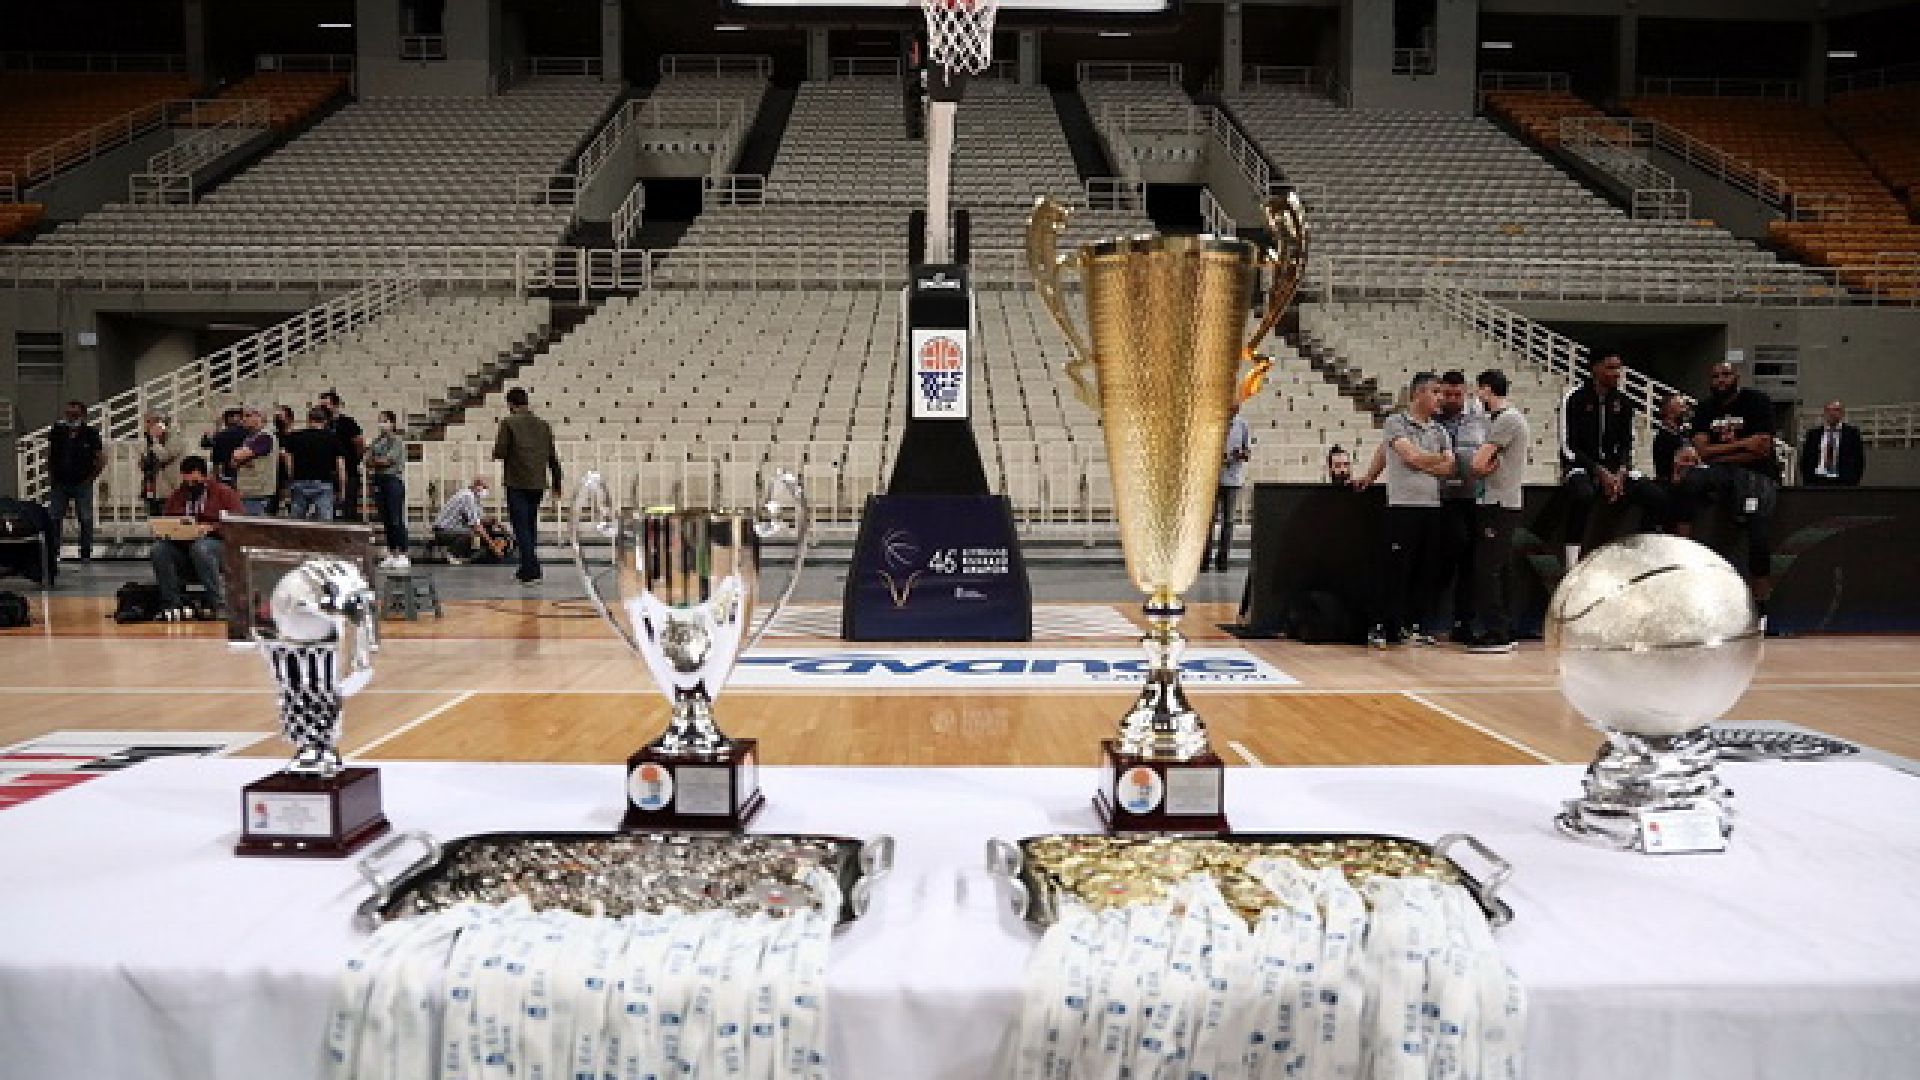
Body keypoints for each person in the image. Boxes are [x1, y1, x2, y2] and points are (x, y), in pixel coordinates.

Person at [1353, 373, 1455, 648]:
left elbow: (1449, 468)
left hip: (1431, 506)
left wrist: (1425, 462)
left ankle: (1412, 626)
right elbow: (1409, 456)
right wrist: (1435, 459)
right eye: (1435, 392)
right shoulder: (1396, 423)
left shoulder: (1439, 430)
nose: (1440, 398)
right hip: (1402, 507)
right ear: (1419, 393)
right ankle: (1383, 626)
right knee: (1396, 570)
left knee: (1424, 571)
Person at [1558, 352, 1663, 567]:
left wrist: (1622, 470)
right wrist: (1599, 471)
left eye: (1619, 368)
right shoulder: (1574, 397)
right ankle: (1572, 563)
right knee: (1583, 495)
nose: (1617, 373)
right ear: (1595, 369)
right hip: (1580, 466)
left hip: (1615, 469)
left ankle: (1642, 556)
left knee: (1656, 496)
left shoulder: (1623, 402)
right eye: (1611, 368)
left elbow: (1627, 443)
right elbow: (1568, 446)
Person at [1695, 361, 1779, 604]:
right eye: (1715, 376)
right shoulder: (1705, 408)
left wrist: (1716, 452)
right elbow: (1701, 452)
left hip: (1757, 473)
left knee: (1758, 530)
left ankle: (1761, 597)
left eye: (1726, 375)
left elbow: (1762, 450)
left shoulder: (1757, 401)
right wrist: (1744, 445)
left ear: (1737, 377)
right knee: (1691, 483)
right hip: (1720, 473)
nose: (1721, 380)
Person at [1465, 370, 1530, 654]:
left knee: (1488, 569)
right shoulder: (1500, 419)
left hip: (1499, 503)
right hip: (1497, 501)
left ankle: (1497, 632)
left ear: (1488, 390)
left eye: (1479, 390)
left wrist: (1481, 467)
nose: (1477, 396)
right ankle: (1503, 628)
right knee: (1498, 569)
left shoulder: (1507, 419)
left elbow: (1477, 464)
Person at [150, 455, 242, 621]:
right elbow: (169, 519)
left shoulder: (224, 493)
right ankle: (172, 603)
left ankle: (218, 604)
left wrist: (211, 528)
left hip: (217, 545)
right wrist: (166, 530)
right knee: (159, 550)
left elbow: (238, 524)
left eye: (195, 482)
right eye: (187, 482)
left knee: (201, 548)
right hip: (184, 546)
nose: (191, 486)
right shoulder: (178, 495)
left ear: (206, 477)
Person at [1434, 370, 1488, 642]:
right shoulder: (1431, 419)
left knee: (1471, 562)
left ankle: (1463, 622)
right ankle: (1430, 621)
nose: (1453, 399)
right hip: (1439, 499)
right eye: (1448, 394)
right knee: (1443, 558)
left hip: (1471, 497)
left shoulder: (1479, 418)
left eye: (1458, 394)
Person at [491, 387, 562, 586]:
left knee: (521, 527)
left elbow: (500, 451)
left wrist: (496, 453)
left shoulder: (508, 423)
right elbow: (552, 457)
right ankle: (526, 569)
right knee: (530, 525)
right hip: (538, 483)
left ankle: (532, 571)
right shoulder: (543, 425)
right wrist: (557, 482)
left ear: (510, 404)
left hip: (517, 482)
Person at [45, 400, 105, 563]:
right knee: (54, 517)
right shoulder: (58, 431)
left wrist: (90, 478)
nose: (71, 418)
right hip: (60, 483)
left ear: (83, 415)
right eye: (68, 414)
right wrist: (51, 475)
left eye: (75, 415)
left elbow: (100, 458)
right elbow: (50, 454)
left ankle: (85, 553)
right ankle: (54, 552)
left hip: (82, 483)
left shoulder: (91, 433)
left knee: (85, 518)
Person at [1201, 406, 1251, 573]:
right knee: (1209, 521)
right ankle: (1205, 560)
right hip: (1213, 479)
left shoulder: (1242, 425)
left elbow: (1247, 452)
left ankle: (1222, 560)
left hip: (1232, 479)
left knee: (1228, 522)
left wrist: (1239, 454)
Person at [281, 407, 346, 521]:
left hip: (299, 481)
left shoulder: (295, 436)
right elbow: (340, 466)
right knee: (325, 523)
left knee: (296, 522)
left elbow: (288, 460)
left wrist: (291, 477)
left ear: (308, 419)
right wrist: (342, 489)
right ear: (325, 421)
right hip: (324, 483)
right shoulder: (333, 438)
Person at [1652, 393, 1701, 536]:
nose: (1685, 410)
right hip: (1672, 488)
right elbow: (1678, 468)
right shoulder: (1664, 437)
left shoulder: (1682, 435)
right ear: (1669, 411)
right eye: (1681, 406)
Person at [367, 410, 410, 569]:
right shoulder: (377, 441)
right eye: (380, 421)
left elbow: (388, 461)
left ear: (392, 423)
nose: (382, 424)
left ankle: (403, 553)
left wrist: (376, 461)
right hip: (379, 480)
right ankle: (392, 552)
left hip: (392, 480)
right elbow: (367, 460)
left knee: (395, 518)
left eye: (385, 421)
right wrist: (375, 461)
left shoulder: (396, 441)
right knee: (385, 519)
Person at [433, 478, 508, 564]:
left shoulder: (473, 498)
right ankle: (453, 554)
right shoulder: (467, 497)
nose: (486, 491)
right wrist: (493, 546)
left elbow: (481, 518)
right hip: (443, 530)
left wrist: (495, 522)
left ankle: (467, 552)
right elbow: (477, 526)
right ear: (477, 487)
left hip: (452, 528)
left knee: (485, 528)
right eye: (484, 487)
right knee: (474, 532)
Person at [319, 390, 366, 521]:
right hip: (327, 473)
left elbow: (359, 443)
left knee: (348, 507)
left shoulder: (348, 423)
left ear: (335, 405)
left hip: (348, 471)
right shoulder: (322, 425)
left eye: (326, 405)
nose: (323, 409)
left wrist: (353, 459)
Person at [1799, 400, 1865, 486]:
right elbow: (1805, 459)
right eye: (1828, 410)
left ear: (1842, 413)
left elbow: (1859, 460)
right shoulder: (1813, 434)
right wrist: (1808, 480)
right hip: (1817, 482)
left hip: (1843, 482)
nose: (1832, 413)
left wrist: (1852, 481)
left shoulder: (1852, 434)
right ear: (1824, 413)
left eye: (1836, 410)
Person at [226, 406, 277, 517]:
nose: (243, 419)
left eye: (248, 416)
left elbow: (238, 455)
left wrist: (240, 456)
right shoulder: (250, 438)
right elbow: (233, 462)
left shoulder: (265, 436)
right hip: (248, 491)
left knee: (251, 524)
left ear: (259, 417)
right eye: (243, 416)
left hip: (257, 492)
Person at [138, 410, 183, 517]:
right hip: (152, 487)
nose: (147, 426)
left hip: (170, 488)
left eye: (150, 422)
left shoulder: (175, 437)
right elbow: (143, 461)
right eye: (146, 422)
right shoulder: (149, 440)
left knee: (170, 520)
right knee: (154, 520)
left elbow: (165, 456)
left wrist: (154, 440)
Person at [202, 407, 247, 487]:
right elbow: (207, 444)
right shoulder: (246, 432)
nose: (235, 418)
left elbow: (206, 444)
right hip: (232, 471)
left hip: (228, 470)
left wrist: (213, 431)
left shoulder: (224, 434)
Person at [270, 405, 295, 514]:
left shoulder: (295, 437)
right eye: (276, 417)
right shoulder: (272, 437)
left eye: (280, 417)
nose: (278, 420)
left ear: (290, 419)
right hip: (274, 475)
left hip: (288, 475)